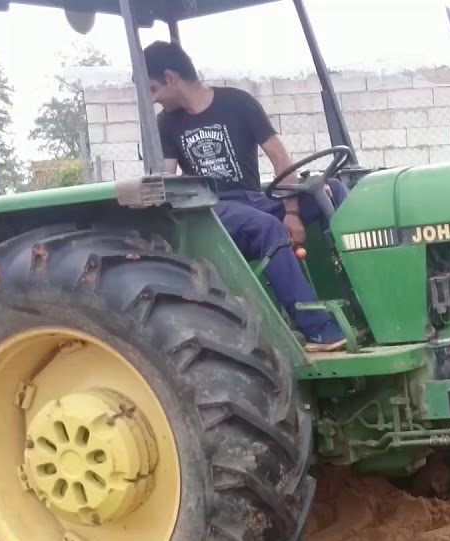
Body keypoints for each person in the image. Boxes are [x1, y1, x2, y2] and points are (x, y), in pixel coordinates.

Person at [142, 40, 347, 350]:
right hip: (211, 209)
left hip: (254, 199)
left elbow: (279, 157)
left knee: (331, 194)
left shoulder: (238, 103)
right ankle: (319, 330)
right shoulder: (167, 123)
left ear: (171, 78)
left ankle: (358, 301)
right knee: (267, 227)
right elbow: (166, 176)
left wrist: (292, 210)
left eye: (154, 89)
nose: (154, 100)